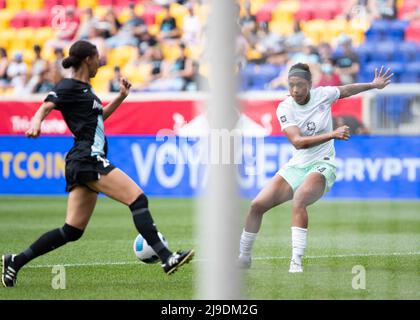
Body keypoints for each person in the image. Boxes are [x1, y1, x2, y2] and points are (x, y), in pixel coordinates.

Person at [1, 40, 194, 288]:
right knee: (137, 199)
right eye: (97, 58)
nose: (100, 63)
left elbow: (98, 117)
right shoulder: (69, 86)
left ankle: (15, 261)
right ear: (87, 60)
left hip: (82, 160)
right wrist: (36, 123)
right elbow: (47, 104)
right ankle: (167, 258)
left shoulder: (87, 91)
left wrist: (121, 98)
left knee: (72, 230)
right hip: (87, 158)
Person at [237, 63, 393, 273]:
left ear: (310, 84)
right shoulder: (285, 107)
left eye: (300, 85)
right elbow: (298, 142)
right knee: (256, 205)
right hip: (297, 164)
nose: (295, 90)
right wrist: (332, 134)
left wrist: (373, 85)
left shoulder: (323, 95)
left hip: (323, 163)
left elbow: (347, 90)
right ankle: (244, 256)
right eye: (291, 85)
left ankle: (296, 261)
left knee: (300, 199)